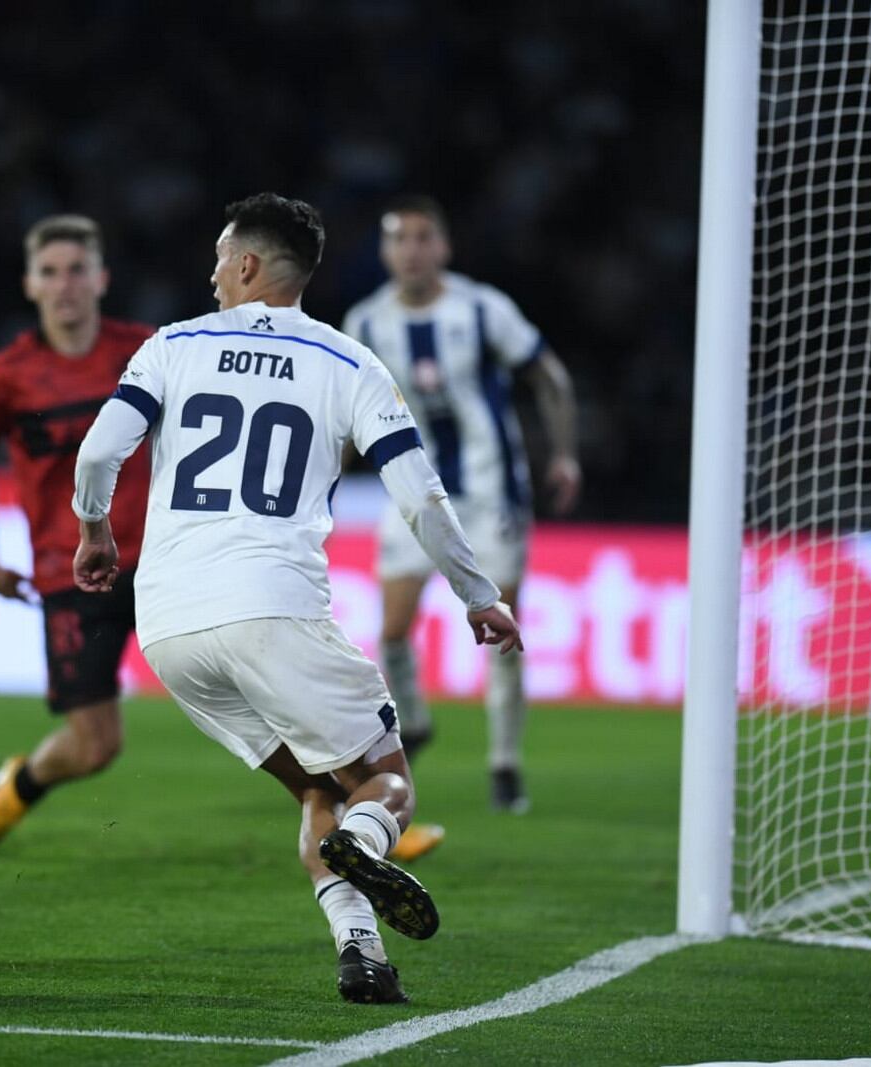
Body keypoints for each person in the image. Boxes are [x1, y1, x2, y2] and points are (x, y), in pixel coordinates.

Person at [71, 193, 521, 1003]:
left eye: (219, 258)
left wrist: (94, 531)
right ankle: (365, 842)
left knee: (320, 785)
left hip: (169, 627)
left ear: (247, 264)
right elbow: (419, 496)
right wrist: (477, 592)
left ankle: (363, 951)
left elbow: (103, 447)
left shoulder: (173, 345)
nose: (211, 275)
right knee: (386, 784)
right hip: (271, 608)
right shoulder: (350, 363)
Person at [343, 196, 579, 840]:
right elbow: (340, 411)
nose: (412, 250)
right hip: (413, 494)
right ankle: (414, 721)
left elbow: (547, 376)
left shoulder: (481, 308)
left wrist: (563, 453)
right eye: (399, 239)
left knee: (503, 626)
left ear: (443, 247)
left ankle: (504, 762)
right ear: (386, 251)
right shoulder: (365, 322)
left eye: (424, 237)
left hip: (491, 495)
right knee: (392, 629)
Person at [0, 215, 154, 848]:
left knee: (253, 686)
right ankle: (21, 786)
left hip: (163, 562)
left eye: (76, 270)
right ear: (29, 285)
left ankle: (356, 816)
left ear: (101, 278)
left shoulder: (149, 351)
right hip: (71, 573)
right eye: (50, 272)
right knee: (96, 747)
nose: (64, 284)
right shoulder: (7, 375)